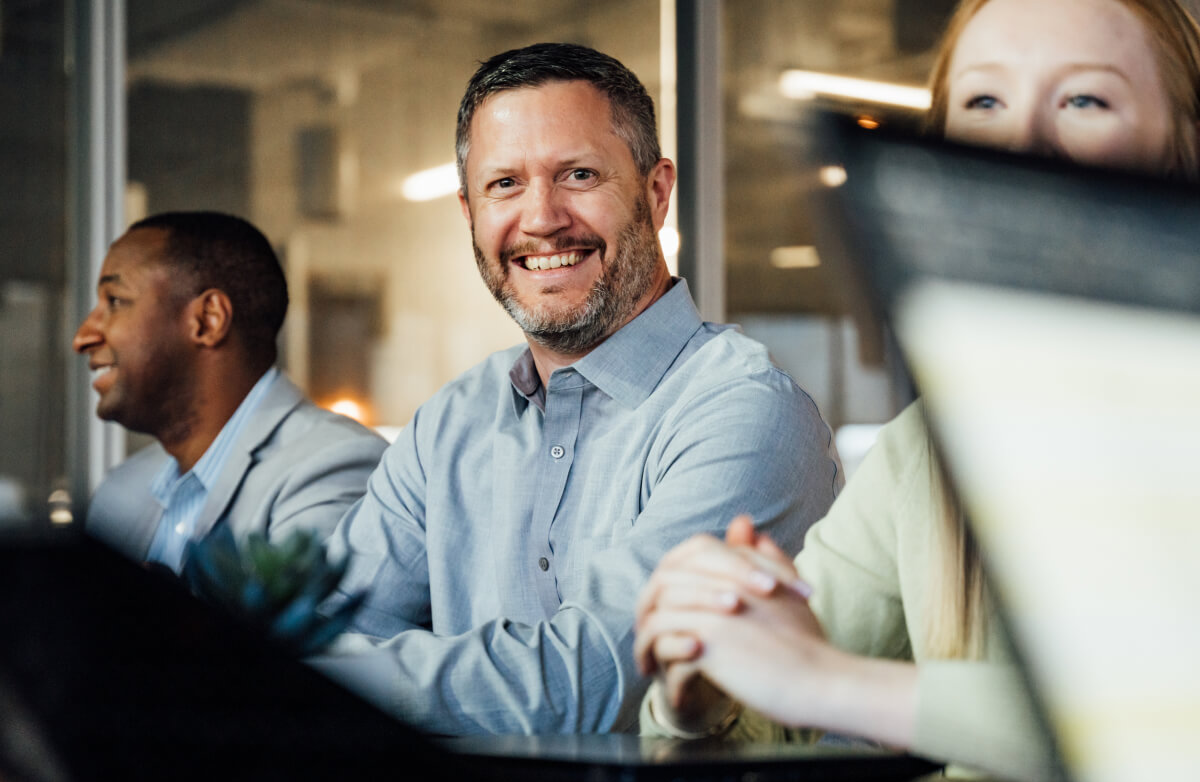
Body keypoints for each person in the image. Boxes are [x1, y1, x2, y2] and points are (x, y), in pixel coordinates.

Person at [634, 0, 1200, 782]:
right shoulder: (926, 450)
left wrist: (832, 682)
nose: (1018, 145)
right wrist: (705, 683)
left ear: (1183, 151)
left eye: (1085, 100)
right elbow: (765, 715)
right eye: (984, 103)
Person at [314, 43, 841, 736]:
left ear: (656, 193)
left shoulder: (747, 415)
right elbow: (323, 621)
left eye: (579, 174)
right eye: (504, 184)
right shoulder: (447, 425)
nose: (541, 218)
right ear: (469, 212)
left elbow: (594, 681)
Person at [74, 211, 387, 572]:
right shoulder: (119, 494)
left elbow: (298, 627)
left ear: (208, 319)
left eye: (114, 301)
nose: (83, 337)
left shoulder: (334, 467)